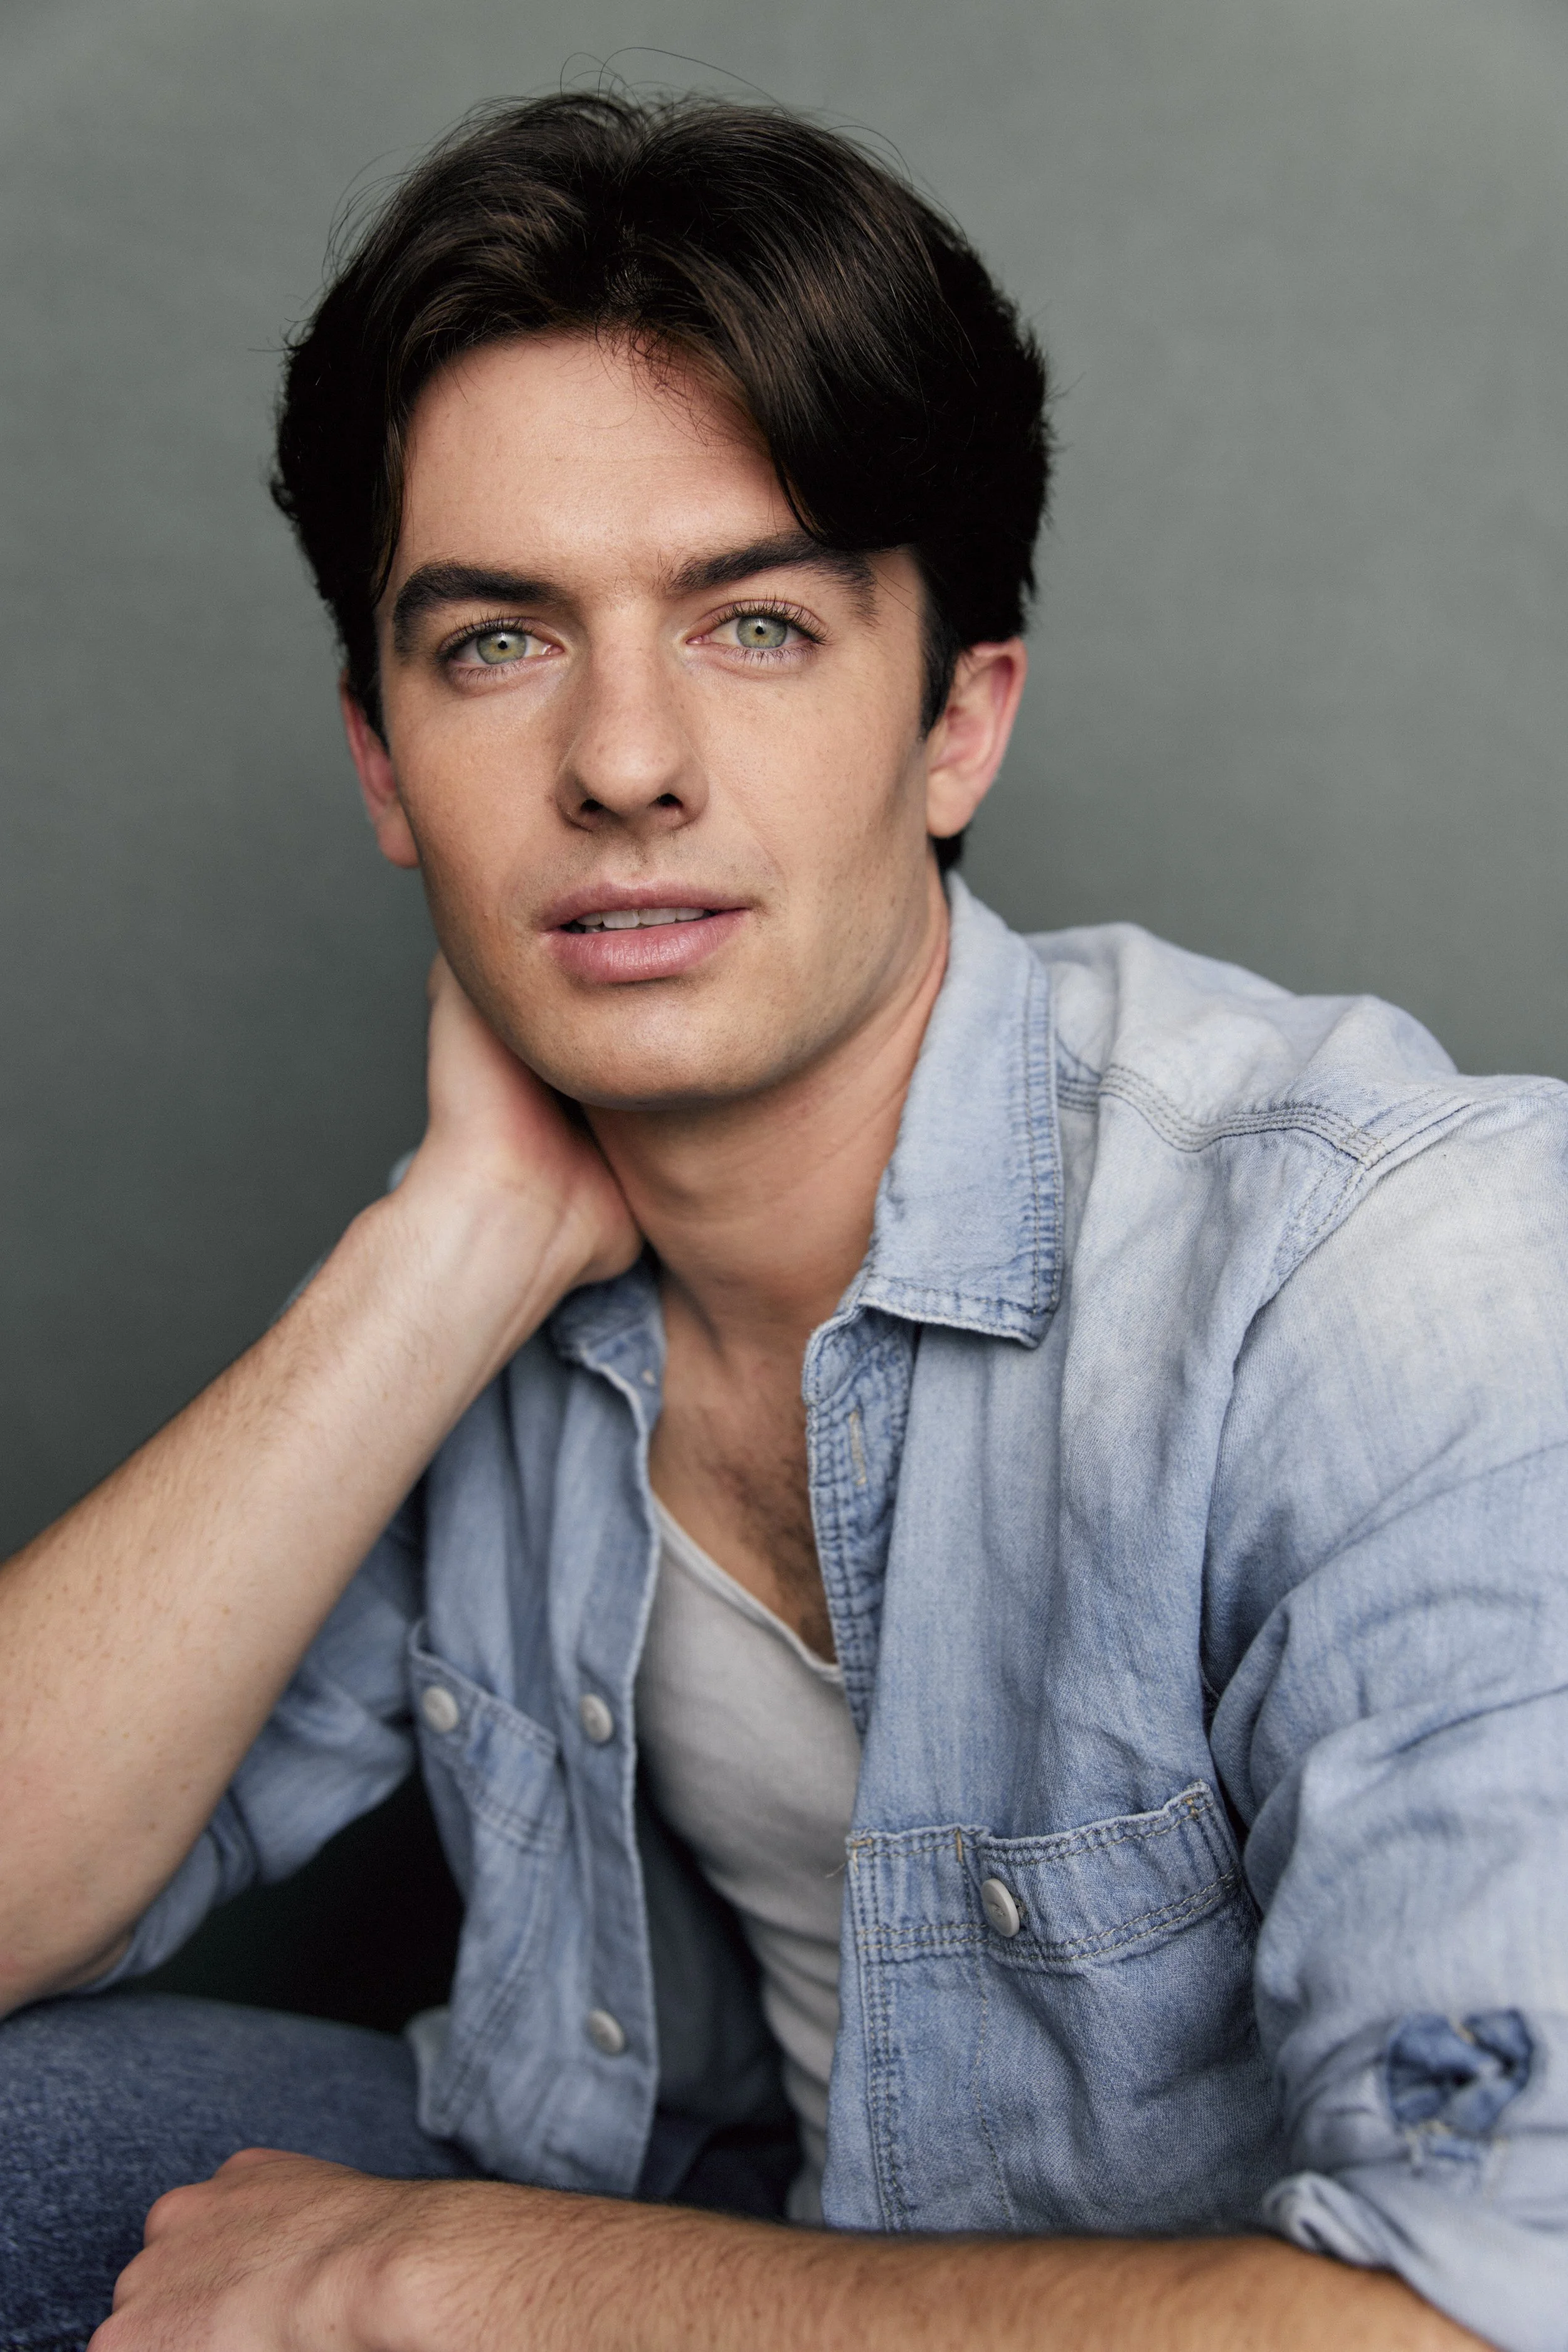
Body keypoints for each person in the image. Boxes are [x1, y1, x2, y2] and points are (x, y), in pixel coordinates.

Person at [0, 89, 1562, 2352]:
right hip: (734, 2223)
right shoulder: (507, 1307)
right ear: (380, 763)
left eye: (749, 623)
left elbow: (1489, 2317)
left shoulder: (1386, 1272)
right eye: (495, 642)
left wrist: (467, 2277)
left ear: (956, 725)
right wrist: (449, 1244)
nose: (623, 760)